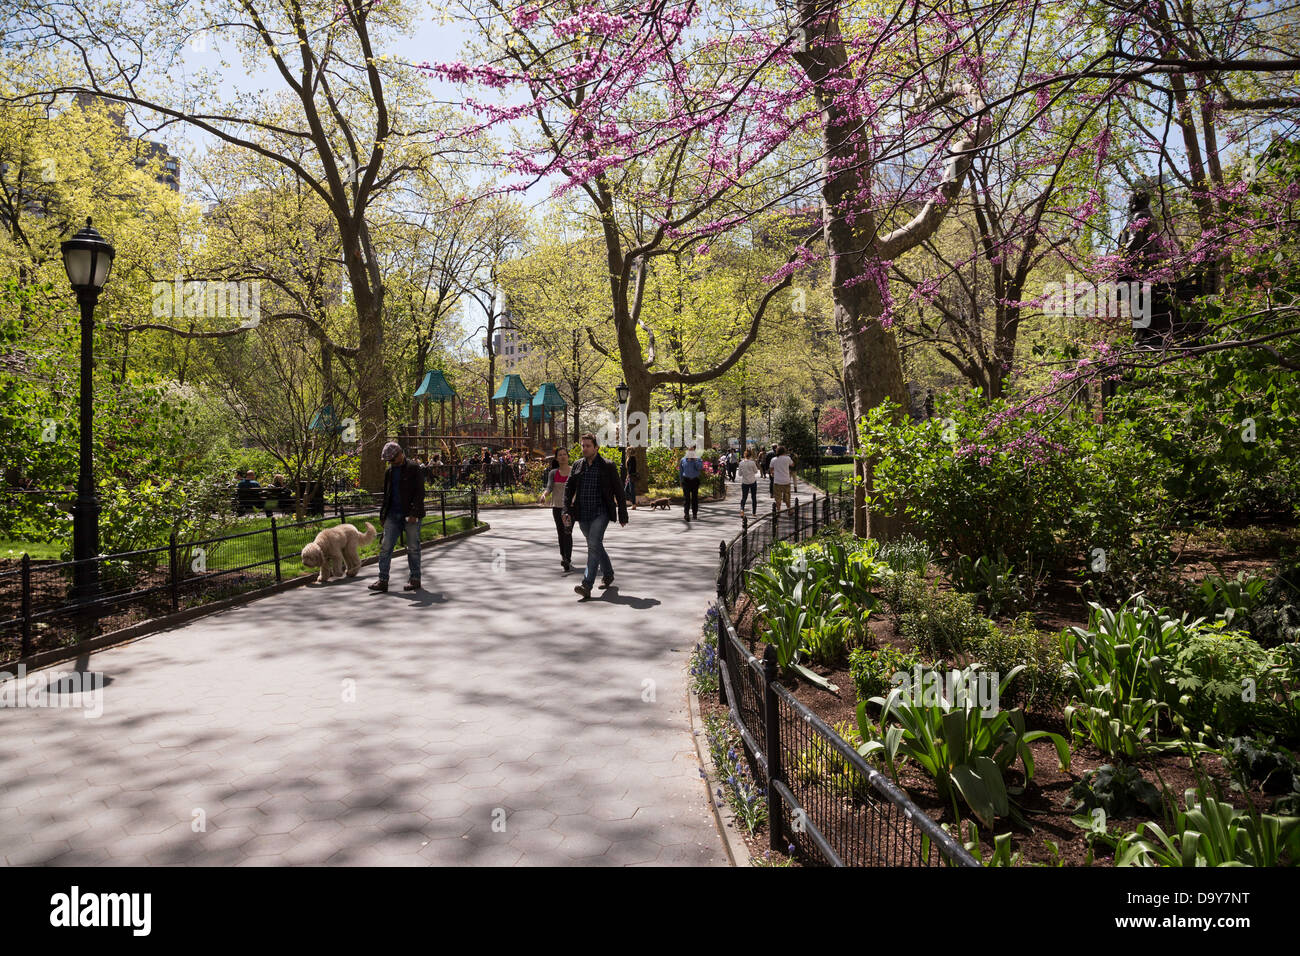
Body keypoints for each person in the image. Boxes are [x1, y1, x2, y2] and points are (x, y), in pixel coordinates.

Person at [563, 433, 629, 599]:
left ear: (596, 447)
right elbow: (568, 489)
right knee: (595, 545)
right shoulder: (578, 465)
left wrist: (622, 513)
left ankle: (586, 584)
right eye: (583, 446)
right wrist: (565, 510)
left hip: (601, 512)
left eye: (588, 446)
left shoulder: (607, 465)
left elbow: (619, 490)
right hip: (583, 513)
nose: (584, 449)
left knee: (593, 544)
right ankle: (608, 574)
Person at [369, 441, 425, 593]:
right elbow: (387, 495)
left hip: (410, 515)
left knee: (413, 547)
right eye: (388, 461)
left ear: (400, 454)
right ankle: (383, 580)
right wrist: (383, 514)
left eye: (392, 460)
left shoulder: (414, 468)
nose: (391, 463)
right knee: (386, 547)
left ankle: (415, 578)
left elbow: (420, 493)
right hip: (392, 514)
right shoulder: (389, 471)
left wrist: (414, 513)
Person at [539, 447, 573, 572]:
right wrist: (544, 495)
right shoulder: (553, 473)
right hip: (557, 507)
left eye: (565, 454)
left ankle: (567, 559)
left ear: (568, 456)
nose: (563, 456)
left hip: (569, 508)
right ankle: (563, 556)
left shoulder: (573, 471)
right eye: (560, 455)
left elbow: (577, 488)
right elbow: (549, 487)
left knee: (567, 531)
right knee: (561, 532)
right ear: (557, 458)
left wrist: (574, 499)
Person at [679, 444, 704, 522]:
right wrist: (680, 480)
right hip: (686, 481)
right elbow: (681, 471)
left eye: (692, 450)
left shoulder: (698, 459)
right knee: (686, 499)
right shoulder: (683, 460)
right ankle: (686, 514)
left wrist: (695, 460)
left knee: (694, 498)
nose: (690, 451)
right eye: (689, 450)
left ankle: (694, 514)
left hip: (695, 480)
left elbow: (700, 468)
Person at [770, 444, 796, 510]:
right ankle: (789, 509)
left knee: (778, 498)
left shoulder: (773, 459)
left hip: (777, 481)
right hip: (786, 480)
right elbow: (793, 464)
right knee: (787, 496)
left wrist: (773, 473)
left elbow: (771, 469)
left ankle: (778, 510)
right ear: (784, 451)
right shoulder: (787, 458)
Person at [737, 447, 759, 516]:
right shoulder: (752, 463)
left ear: (744, 455)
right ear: (750, 455)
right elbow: (756, 471)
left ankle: (742, 509)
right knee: (754, 497)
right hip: (752, 481)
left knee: (744, 497)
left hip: (745, 482)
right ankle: (754, 513)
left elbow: (739, 474)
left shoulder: (741, 463)